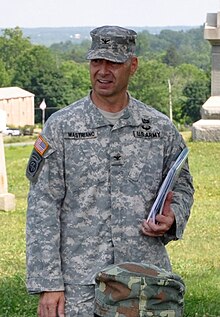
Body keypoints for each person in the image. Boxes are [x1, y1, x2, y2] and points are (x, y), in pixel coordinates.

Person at [25, 25, 194, 317]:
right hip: (80, 287)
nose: (103, 71)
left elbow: (182, 185)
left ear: (133, 65)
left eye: (113, 63)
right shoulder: (62, 127)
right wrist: (49, 284)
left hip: (144, 283)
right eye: (96, 61)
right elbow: (43, 207)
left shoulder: (159, 128)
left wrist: (173, 216)